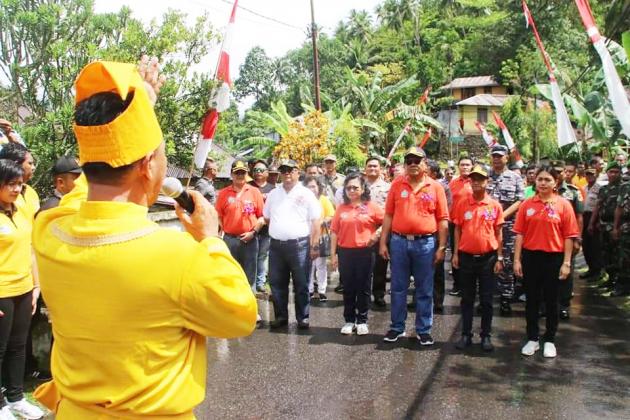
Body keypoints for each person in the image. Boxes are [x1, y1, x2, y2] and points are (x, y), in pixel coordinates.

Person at [31, 59, 257, 418]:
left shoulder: (49, 230)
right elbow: (239, 317)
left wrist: (135, 118)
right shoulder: (180, 256)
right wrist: (211, 239)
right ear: (149, 164)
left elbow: (89, 185)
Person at [379, 146, 448, 345]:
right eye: (408, 161)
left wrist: (442, 247)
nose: (412, 164)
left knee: (424, 289)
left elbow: (443, 219)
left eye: (416, 160)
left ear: (425, 163)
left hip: (425, 244)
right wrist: (383, 241)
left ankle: (423, 329)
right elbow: (389, 215)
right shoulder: (396, 185)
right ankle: (397, 327)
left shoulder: (435, 187)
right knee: (398, 287)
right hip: (399, 242)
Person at [514, 165, 579, 359]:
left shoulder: (563, 205)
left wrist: (566, 262)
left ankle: (549, 339)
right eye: (540, 179)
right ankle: (532, 338)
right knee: (532, 300)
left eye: (547, 180)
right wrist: (517, 259)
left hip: (554, 259)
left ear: (555, 182)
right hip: (531, 258)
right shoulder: (527, 204)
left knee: (552, 301)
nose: (543, 183)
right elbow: (519, 234)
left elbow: (569, 236)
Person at [0, 159, 45, 420]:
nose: (17, 189)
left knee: (18, 347)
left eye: (19, 184)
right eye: (10, 184)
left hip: (24, 288)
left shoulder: (20, 210)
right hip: (2, 291)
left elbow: (30, 250)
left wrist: (36, 286)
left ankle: (16, 398)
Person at [452, 165, 504, 352]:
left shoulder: (494, 205)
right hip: (466, 258)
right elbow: (457, 229)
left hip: (488, 259)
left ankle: (486, 335)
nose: (476, 182)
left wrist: (499, 257)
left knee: (487, 300)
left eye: (480, 179)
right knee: (467, 298)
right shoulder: (462, 203)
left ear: (486, 182)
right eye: (473, 179)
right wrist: (456, 254)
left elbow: (499, 232)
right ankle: (466, 334)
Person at [264, 159, 321, 329]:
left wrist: (314, 245)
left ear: (297, 172)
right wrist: (280, 231)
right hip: (276, 246)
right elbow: (267, 218)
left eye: (290, 170)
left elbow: (316, 221)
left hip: (300, 246)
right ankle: (281, 317)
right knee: (276, 283)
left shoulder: (306, 193)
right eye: (284, 170)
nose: (287, 173)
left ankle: (302, 317)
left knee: (301, 283)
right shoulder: (273, 194)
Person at [331, 173, 384, 335]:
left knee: (363, 287)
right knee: (348, 287)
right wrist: (333, 254)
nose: (352, 190)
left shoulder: (371, 206)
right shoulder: (341, 208)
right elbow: (334, 232)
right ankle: (349, 320)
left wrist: (376, 235)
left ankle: (362, 320)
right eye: (348, 188)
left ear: (362, 189)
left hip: (365, 252)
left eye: (355, 187)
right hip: (345, 252)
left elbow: (386, 222)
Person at [486, 145, 524, 315]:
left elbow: (519, 200)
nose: (496, 159)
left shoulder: (515, 178)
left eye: (500, 156)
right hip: (486, 225)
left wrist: (501, 216)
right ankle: (485, 297)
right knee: (486, 261)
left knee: (506, 262)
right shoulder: (485, 176)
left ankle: (505, 298)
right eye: (494, 156)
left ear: (506, 158)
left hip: (507, 226)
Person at [215, 160, 266, 290]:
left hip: (250, 239)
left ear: (247, 174)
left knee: (249, 277)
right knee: (230, 275)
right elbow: (219, 216)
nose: (240, 175)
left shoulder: (255, 192)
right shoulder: (223, 193)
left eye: (242, 172)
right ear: (231, 174)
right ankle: (232, 307)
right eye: (237, 172)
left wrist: (253, 233)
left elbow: (261, 217)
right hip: (230, 240)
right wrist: (222, 233)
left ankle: (250, 306)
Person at [552, 160, 583, 320]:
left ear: (565, 172)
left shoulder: (572, 191)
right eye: (555, 171)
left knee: (566, 271)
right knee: (547, 272)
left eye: (560, 171)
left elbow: (579, 216)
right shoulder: (544, 189)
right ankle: (547, 304)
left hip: (567, 238)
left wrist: (578, 238)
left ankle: (564, 306)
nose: (558, 174)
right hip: (549, 239)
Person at [588, 162, 623, 293]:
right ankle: (610, 278)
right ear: (607, 173)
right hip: (604, 225)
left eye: (616, 172)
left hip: (618, 226)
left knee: (617, 254)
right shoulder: (603, 189)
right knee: (605, 252)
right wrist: (592, 223)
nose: (613, 174)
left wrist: (616, 227)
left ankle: (619, 282)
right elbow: (597, 207)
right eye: (611, 171)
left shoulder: (623, 188)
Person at [364, 157, 390, 308]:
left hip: (382, 230)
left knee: (381, 264)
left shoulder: (388, 187)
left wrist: (380, 233)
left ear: (380, 169)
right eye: (370, 166)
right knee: (364, 265)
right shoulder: (360, 187)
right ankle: (364, 293)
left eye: (375, 166)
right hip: (363, 230)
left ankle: (379, 294)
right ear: (365, 168)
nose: (372, 169)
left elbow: (389, 212)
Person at [303, 175, 334, 301]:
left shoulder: (323, 200)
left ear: (318, 187)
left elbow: (331, 215)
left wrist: (321, 222)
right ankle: (309, 289)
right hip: (305, 237)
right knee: (308, 265)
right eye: (308, 186)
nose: (311, 189)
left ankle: (321, 290)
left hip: (320, 236)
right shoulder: (301, 200)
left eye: (313, 186)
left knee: (320, 264)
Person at [427, 160, 452, 312]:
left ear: (434, 174)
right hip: (422, 234)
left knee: (437, 268)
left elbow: (445, 212)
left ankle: (437, 300)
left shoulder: (443, 188)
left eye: (427, 170)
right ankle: (419, 298)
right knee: (419, 270)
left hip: (436, 232)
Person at [448, 155, 474, 296]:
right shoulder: (453, 182)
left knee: (470, 253)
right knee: (456, 252)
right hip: (454, 223)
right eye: (462, 164)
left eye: (467, 164)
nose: (465, 167)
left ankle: (470, 285)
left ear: (472, 166)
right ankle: (457, 284)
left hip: (471, 223)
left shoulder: (476, 181)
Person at [249, 160, 275, 293]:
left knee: (262, 256)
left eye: (261, 170)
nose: (258, 173)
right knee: (250, 256)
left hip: (266, 230)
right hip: (250, 229)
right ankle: (250, 283)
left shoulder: (272, 189)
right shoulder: (248, 186)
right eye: (255, 170)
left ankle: (260, 282)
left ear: (267, 172)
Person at [0, 143, 38, 220]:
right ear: (16, 164)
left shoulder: (31, 192)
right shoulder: (5, 198)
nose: (33, 168)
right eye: (30, 163)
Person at [580, 168, 602, 280]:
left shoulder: (599, 188)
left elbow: (599, 206)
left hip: (594, 217)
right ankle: (591, 269)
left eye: (592, 174)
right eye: (587, 174)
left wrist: (594, 222)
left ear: (596, 175)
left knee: (595, 246)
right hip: (584, 217)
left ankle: (597, 271)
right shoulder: (583, 188)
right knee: (585, 245)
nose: (590, 176)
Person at [612, 176, 630, 296]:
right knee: (624, 258)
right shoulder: (626, 186)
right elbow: (619, 208)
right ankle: (622, 286)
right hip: (627, 227)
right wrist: (615, 227)